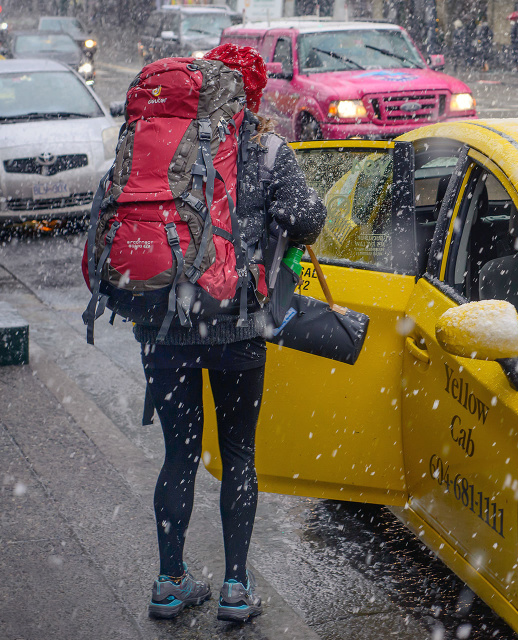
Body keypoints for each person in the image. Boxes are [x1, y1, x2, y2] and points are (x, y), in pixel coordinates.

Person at [140, 44, 325, 622]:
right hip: (237, 329)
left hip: (167, 327)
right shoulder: (266, 148)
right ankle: (236, 588)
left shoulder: (160, 145)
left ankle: (170, 582)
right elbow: (308, 217)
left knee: (178, 455)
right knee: (239, 456)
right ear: (254, 91)